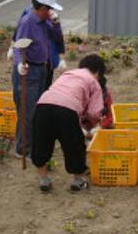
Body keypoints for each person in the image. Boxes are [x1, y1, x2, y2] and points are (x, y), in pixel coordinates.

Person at [32, 54, 106, 193]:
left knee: (41, 142)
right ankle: (77, 182)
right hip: (67, 110)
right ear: (98, 72)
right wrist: (90, 124)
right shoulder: (93, 82)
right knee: (74, 145)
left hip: (43, 105)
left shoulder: (67, 74)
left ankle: (44, 180)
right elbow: (94, 112)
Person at [12, 0, 64, 157]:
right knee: (27, 110)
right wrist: (20, 63)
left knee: (38, 109)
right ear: (41, 8)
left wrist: (56, 23)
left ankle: (33, 142)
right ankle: (24, 148)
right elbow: (19, 47)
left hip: (42, 68)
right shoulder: (28, 22)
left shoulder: (46, 21)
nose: (51, 12)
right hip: (30, 70)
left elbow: (57, 38)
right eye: (49, 9)